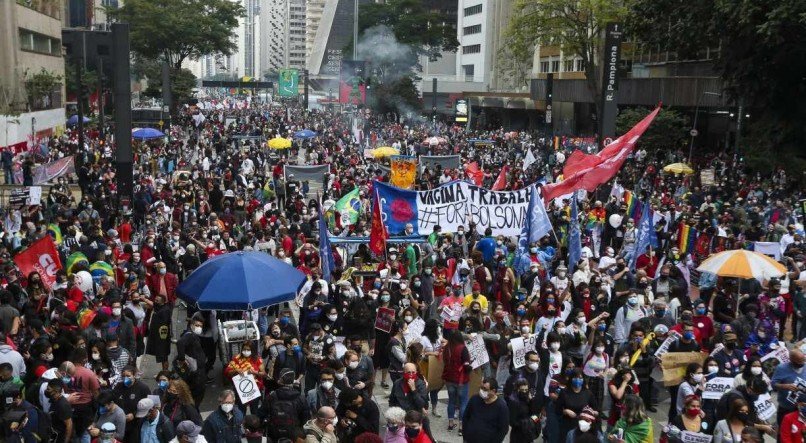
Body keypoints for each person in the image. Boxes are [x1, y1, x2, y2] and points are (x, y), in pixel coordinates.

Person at [264, 368, 309, 442]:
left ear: (280, 380)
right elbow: (305, 418)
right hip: (294, 433)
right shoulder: (301, 398)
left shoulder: (272, 396)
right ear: (293, 380)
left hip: (274, 432)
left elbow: (262, 413)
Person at [461, 377, 509, 443]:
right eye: (481, 388)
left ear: (493, 391)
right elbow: (466, 417)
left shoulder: (501, 406)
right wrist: (465, 436)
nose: (482, 391)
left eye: (485, 389)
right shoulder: (474, 399)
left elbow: (503, 429)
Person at [441, 328, 470, 433]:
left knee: (451, 401)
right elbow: (466, 365)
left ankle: (450, 424)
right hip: (461, 380)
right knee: (463, 402)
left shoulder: (446, 348)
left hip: (449, 379)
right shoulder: (462, 348)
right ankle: (461, 428)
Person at [556, 369, 599, 439]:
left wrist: (591, 413)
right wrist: (566, 411)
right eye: (575, 377)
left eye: (580, 378)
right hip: (568, 425)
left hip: (584, 427)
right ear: (571, 379)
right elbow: (557, 410)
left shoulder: (588, 393)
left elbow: (596, 411)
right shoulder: (564, 393)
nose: (578, 380)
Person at [771, 348, 806, 426]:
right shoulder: (781, 368)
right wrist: (784, 386)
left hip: (803, 407)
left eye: (803, 360)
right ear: (791, 360)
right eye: (799, 361)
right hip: (786, 408)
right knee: (784, 430)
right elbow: (773, 384)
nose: (802, 363)